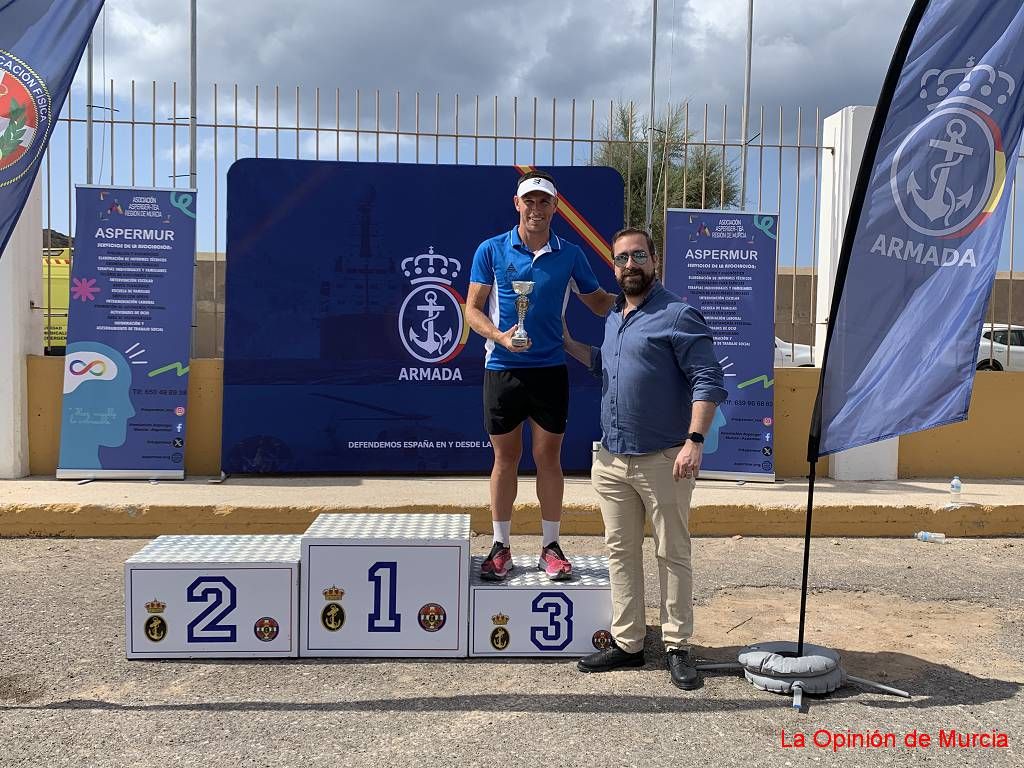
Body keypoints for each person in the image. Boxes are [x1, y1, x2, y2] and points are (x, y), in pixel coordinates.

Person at [564, 227, 726, 690]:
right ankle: (628, 642)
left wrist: (695, 440)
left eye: (638, 256)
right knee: (620, 552)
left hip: (664, 458)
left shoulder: (679, 314)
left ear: (655, 261)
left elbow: (707, 379)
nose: (629, 265)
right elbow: (606, 365)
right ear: (613, 267)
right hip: (612, 459)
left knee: (671, 553)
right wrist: (569, 344)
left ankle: (676, 645)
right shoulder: (616, 315)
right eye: (620, 259)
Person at [467, 169, 615, 582]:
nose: (536, 208)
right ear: (517, 205)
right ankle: (501, 546)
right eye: (528, 201)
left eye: (543, 202)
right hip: (502, 369)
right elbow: (471, 309)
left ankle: (550, 546)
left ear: (556, 206)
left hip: (550, 370)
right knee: (505, 458)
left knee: (548, 457)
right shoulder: (491, 250)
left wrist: (640, 296)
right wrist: (499, 336)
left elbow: (599, 303)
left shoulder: (570, 254)